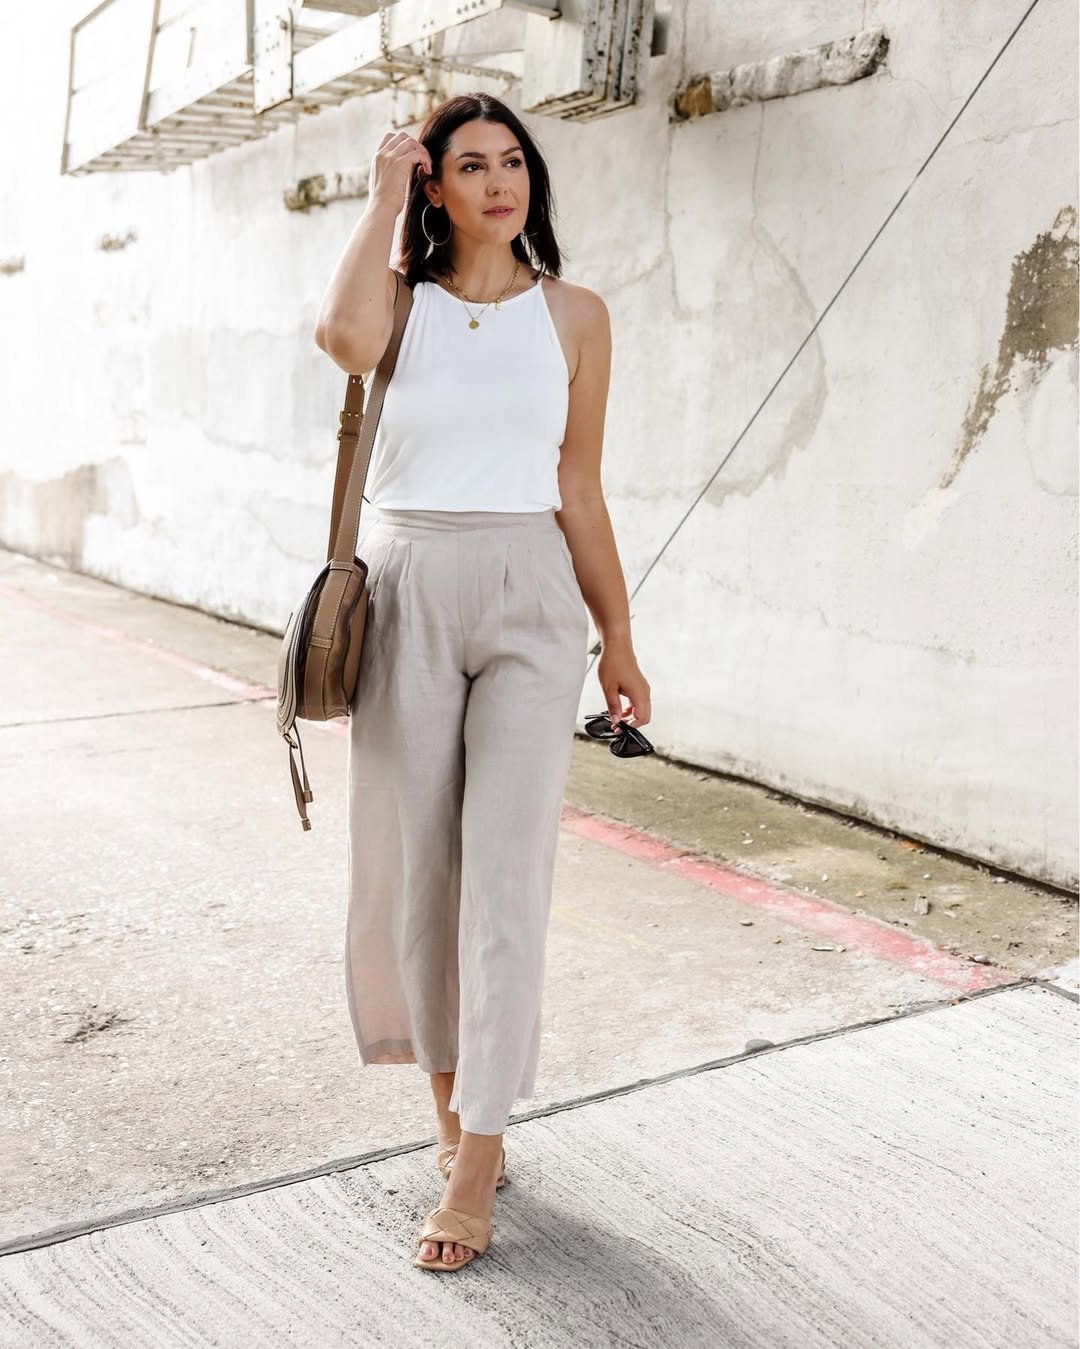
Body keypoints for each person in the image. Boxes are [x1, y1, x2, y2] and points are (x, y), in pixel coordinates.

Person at [314, 91, 651, 1272]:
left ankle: (477, 1157)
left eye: (514, 162)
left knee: (507, 874)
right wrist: (377, 197)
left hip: (531, 591)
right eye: (470, 164)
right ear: (435, 185)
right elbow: (341, 340)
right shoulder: (400, 304)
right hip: (408, 580)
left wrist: (618, 635)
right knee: (423, 870)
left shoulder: (577, 316)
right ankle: (453, 1112)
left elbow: (580, 484)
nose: (500, 182)